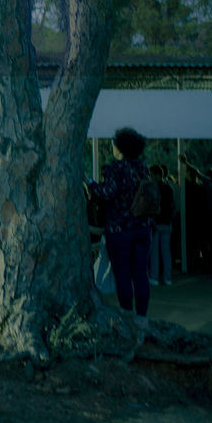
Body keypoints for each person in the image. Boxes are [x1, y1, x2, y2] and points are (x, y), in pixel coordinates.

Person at [86, 127, 152, 318]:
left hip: (119, 229)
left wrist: (90, 183)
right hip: (142, 227)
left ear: (119, 146)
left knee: (122, 275)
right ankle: (142, 317)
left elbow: (107, 193)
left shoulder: (116, 168)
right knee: (141, 275)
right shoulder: (142, 167)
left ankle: (127, 314)